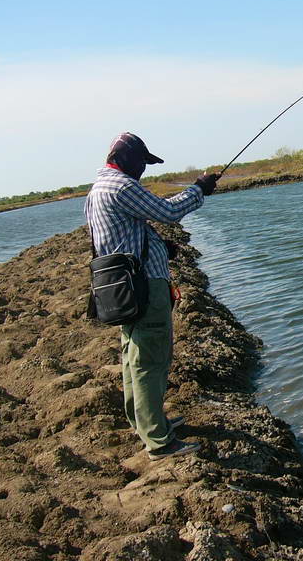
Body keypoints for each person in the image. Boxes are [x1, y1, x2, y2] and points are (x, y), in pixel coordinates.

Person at [85, 132, 218, 460]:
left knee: (134, 357)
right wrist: (199, 189)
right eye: (142, 162)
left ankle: (146, 423)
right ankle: (159, 441)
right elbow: (168, 212)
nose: (143, 169)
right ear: (127, 158)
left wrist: (162, 246)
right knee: (149, 359)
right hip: (144, 286)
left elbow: (127, 233)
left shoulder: (97, 189)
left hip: (123, 288)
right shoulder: (121, 186)